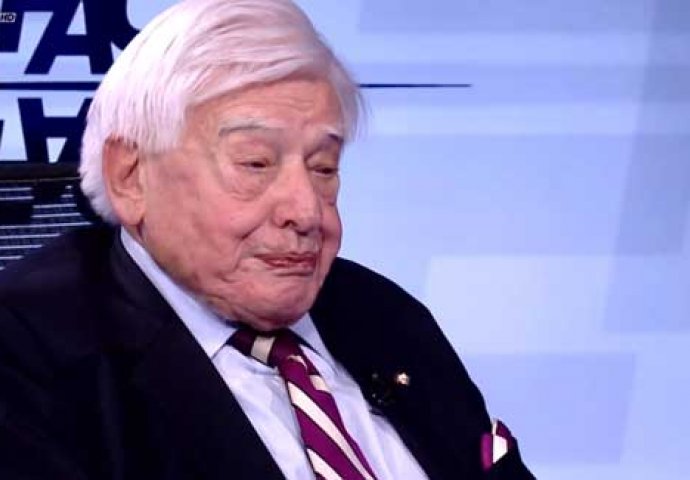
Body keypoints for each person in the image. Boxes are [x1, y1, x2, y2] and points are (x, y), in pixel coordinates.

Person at [0, 0, 535, 478]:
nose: (307, 211)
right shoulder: (25, 359)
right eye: (255, 163)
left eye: (324, 168)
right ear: (131, 176)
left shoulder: (382, 314)